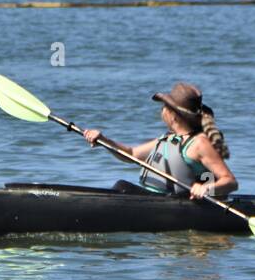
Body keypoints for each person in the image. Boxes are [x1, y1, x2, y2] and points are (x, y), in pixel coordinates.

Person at [83, 83, 236, 199]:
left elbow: (230, 182)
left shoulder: (199, 144)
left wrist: (208, 189)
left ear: (173, 115)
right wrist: (104, 141)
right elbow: (132, 154)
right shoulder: (168, 138)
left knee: (122, 187)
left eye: (164, 106)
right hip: (157, 199)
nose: (161, 110)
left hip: (183, 205)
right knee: (122, 187)